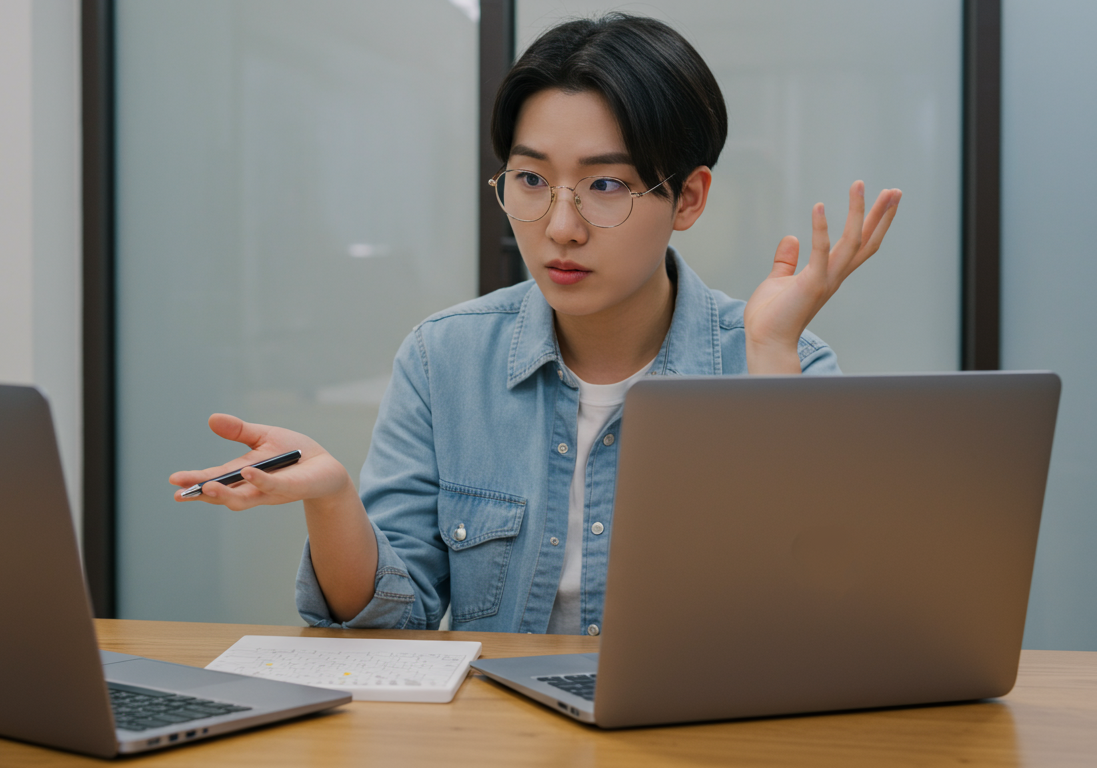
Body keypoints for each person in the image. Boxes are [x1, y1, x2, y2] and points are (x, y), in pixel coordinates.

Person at [168, 13, 901, 635]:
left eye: (605, 185)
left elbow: (802, 624)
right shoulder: (442, 359)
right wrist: (330, 502)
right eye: (531, 181)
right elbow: (396, 623)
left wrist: (769, 350)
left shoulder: (787, 363)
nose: (561, 227)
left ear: (688, 199)